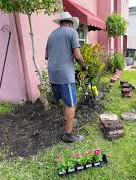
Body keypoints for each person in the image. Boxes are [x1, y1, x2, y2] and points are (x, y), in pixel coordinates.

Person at [45, 12, 87, 143]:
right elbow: (77, 55)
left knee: (64, 101)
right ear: (70, 23)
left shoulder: (52, 35)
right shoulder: (72, 32)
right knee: (71, 104)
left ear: (61, 22)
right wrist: (84, 66)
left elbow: (46, 56)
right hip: (65, 75)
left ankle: (67, 120)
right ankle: (68, 135)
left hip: (52, 74)